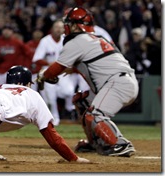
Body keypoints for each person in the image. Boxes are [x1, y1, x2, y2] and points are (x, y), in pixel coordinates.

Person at [37, 7, 138, 157]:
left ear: (76, 25)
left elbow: (57, 68)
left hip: (117, 83)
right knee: (81, 100)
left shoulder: (77, 41)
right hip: (122, 81)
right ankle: (96, 142)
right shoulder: (95, 39)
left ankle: (120, 144)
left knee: (95, 114)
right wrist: (64, 71)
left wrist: (43, 76)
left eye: (69, 23)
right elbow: (88, 65)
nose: (66, 26)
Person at [32, 20, 87, 125]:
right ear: (52, 29)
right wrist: (49, 63)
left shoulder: (66, 40)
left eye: (60, 27)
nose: (58, 29)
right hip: (48, 72)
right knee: (50, 99)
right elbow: (36, 59)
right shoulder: (45, 41)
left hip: (62, 72)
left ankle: (68, 108)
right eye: (56, 27)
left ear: (64, 29)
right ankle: (55, 119)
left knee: (69, 91)